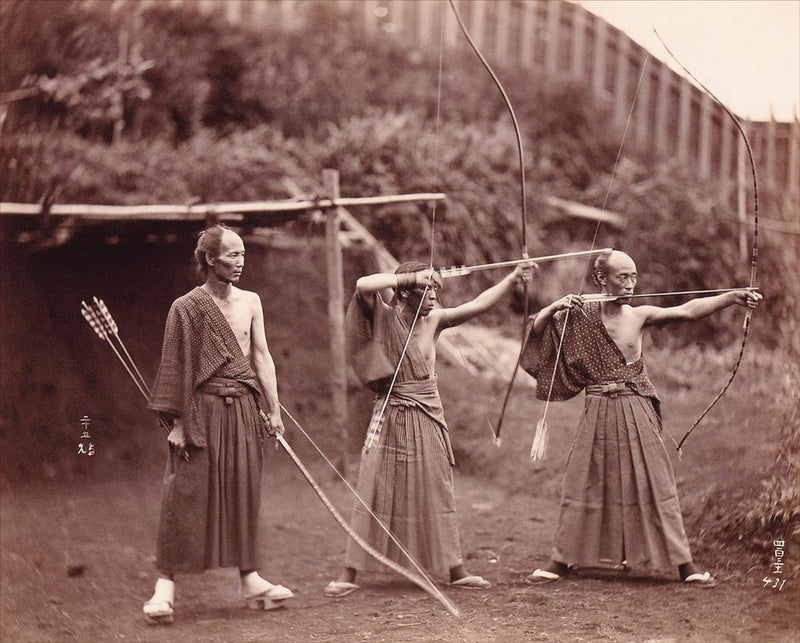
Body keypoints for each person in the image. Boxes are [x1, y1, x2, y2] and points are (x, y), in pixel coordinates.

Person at [521, 250, 761, 588]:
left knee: (655, 481)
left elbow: (687, 311)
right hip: (597, 407)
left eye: (634, 277)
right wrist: (553, 308)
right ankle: (560, 559)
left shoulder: (639, 315)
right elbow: (537, 331)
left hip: (635, 406)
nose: (631, 285)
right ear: (602, 279)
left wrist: (730, 297)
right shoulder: (579, 314)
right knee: (584, 479)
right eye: (623, 277)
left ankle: (685, 565)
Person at [324, 259, 536, 598]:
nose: (435, 296)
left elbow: (477, 305)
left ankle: (456, 570)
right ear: (406, 291)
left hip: (427, 411)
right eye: (428, 288)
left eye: (437, 288)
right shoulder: (383, 316)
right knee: (374, 484)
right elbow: (364, 283)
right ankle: (350, 571)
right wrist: (409, 276)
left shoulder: (434, 320)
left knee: (437, 485)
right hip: (392, 410)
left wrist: (512, 279)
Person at [143, 224, 293, 624]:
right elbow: (174, 368)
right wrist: (176, 423)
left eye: (243, 254)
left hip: (243, 407)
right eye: (232, 255)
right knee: (185, 492)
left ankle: (250, 579)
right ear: (210, 259)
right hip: (200, 410)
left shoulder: (251, 302)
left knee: (244, 488)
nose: (241, 262)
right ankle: (164, 587)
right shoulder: (186, 307)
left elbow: (261, 356)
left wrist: (274, 411)